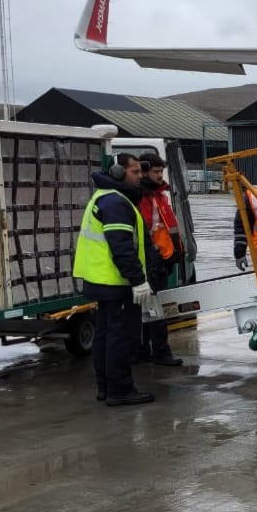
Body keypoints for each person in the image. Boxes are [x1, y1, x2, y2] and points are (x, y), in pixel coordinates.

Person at [72, 153, 160, 406]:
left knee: (105, 335)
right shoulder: (116, 202)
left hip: (102, 281)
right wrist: (138, 280)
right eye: (135, 172)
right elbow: (122, 247)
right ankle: (120, 390)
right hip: (115, 282)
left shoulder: (106, 197)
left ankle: (106, 387)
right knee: (121, 338)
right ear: (119, 172)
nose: (141, 176)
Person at [134, 152, 184, 366]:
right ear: (144, 171)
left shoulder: (158, 196)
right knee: (156, 309)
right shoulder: (143, 198)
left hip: (160, 260)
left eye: (161, 171)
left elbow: (166, 229)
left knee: (150, 309)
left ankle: (143, 351)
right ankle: (160, 352)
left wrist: (173, 255)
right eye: (156, 171)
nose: (159, 175)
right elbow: (145, 232)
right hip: (151, 261)